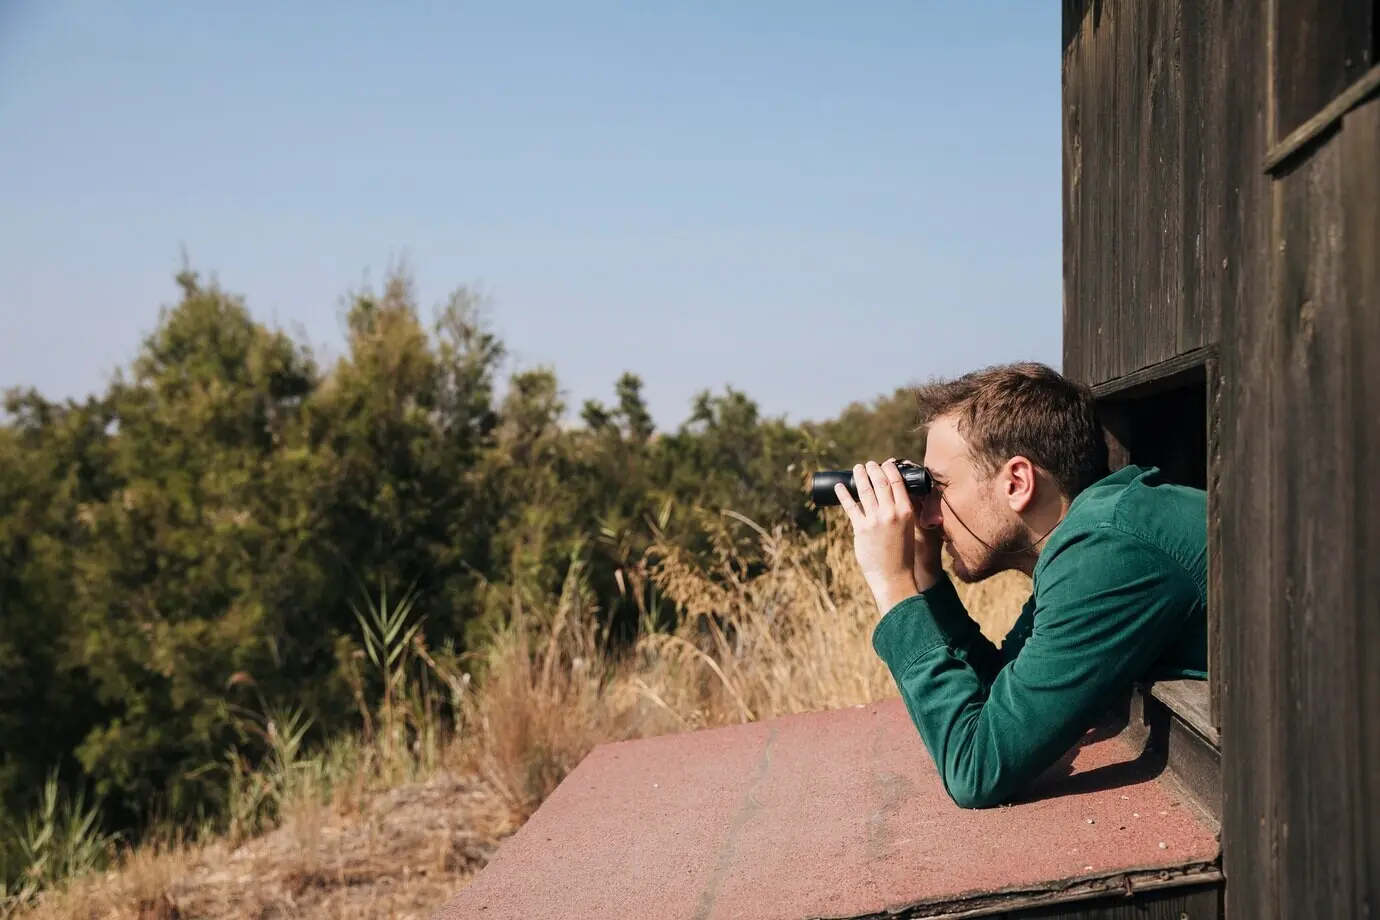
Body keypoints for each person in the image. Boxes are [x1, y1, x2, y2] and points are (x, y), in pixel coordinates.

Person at [832, 361, 1207, 809]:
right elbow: (1000, 692)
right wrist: (925, 571)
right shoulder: (1091, 535)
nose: (927, 515)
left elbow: (977, 769)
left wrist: (893, 585)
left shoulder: (1107, 551)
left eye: (939, 488)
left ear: (1017, 482)